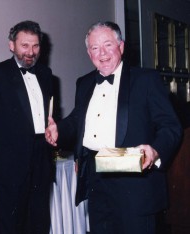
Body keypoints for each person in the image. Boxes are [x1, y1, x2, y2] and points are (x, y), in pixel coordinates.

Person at [45, 21, 182, 234]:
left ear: (121, 47)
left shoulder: (146, 80)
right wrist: (58, 131)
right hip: (95, 179)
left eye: (108, 45)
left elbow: (170, 126)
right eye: (95, 48)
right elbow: (77, 120)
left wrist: (155, 151)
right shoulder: (84, 82)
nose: (102, 53)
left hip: (135, 183)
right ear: (89, 52)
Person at [0, 20, 54, 234]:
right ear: (11, 45)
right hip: (9, 165)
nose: (30, 52)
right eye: (24, 45)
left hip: (41, 161)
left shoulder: (46, 74)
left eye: (35, 46)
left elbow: (48, 117)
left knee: (39, 222)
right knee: (9, 225)